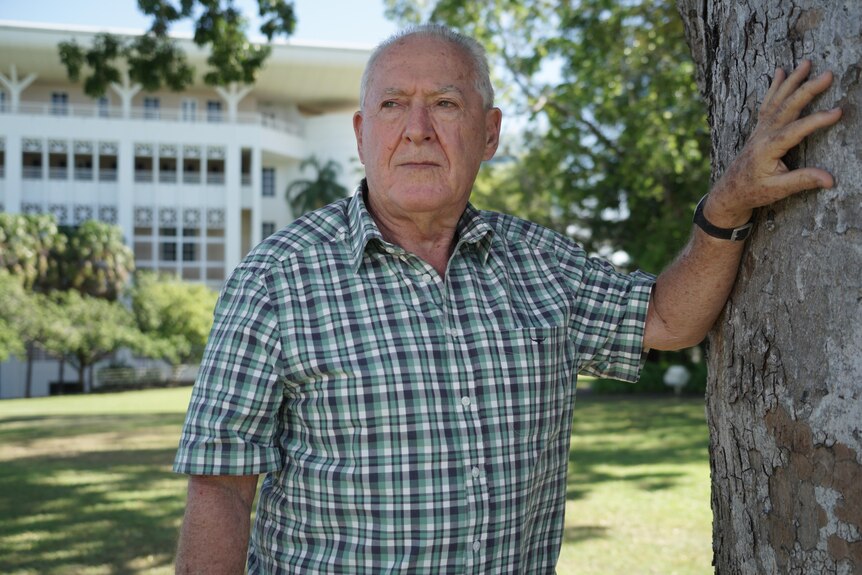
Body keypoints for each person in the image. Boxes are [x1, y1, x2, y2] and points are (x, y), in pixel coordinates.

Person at [172, 24, 842, 574]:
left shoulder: (538, 262)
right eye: (392, 104)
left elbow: (667, 316)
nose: (417, 129)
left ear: (489, 133)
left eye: (445, 103)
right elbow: (221, 488)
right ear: (359, 132)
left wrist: (730, 201)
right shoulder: (274, 281)